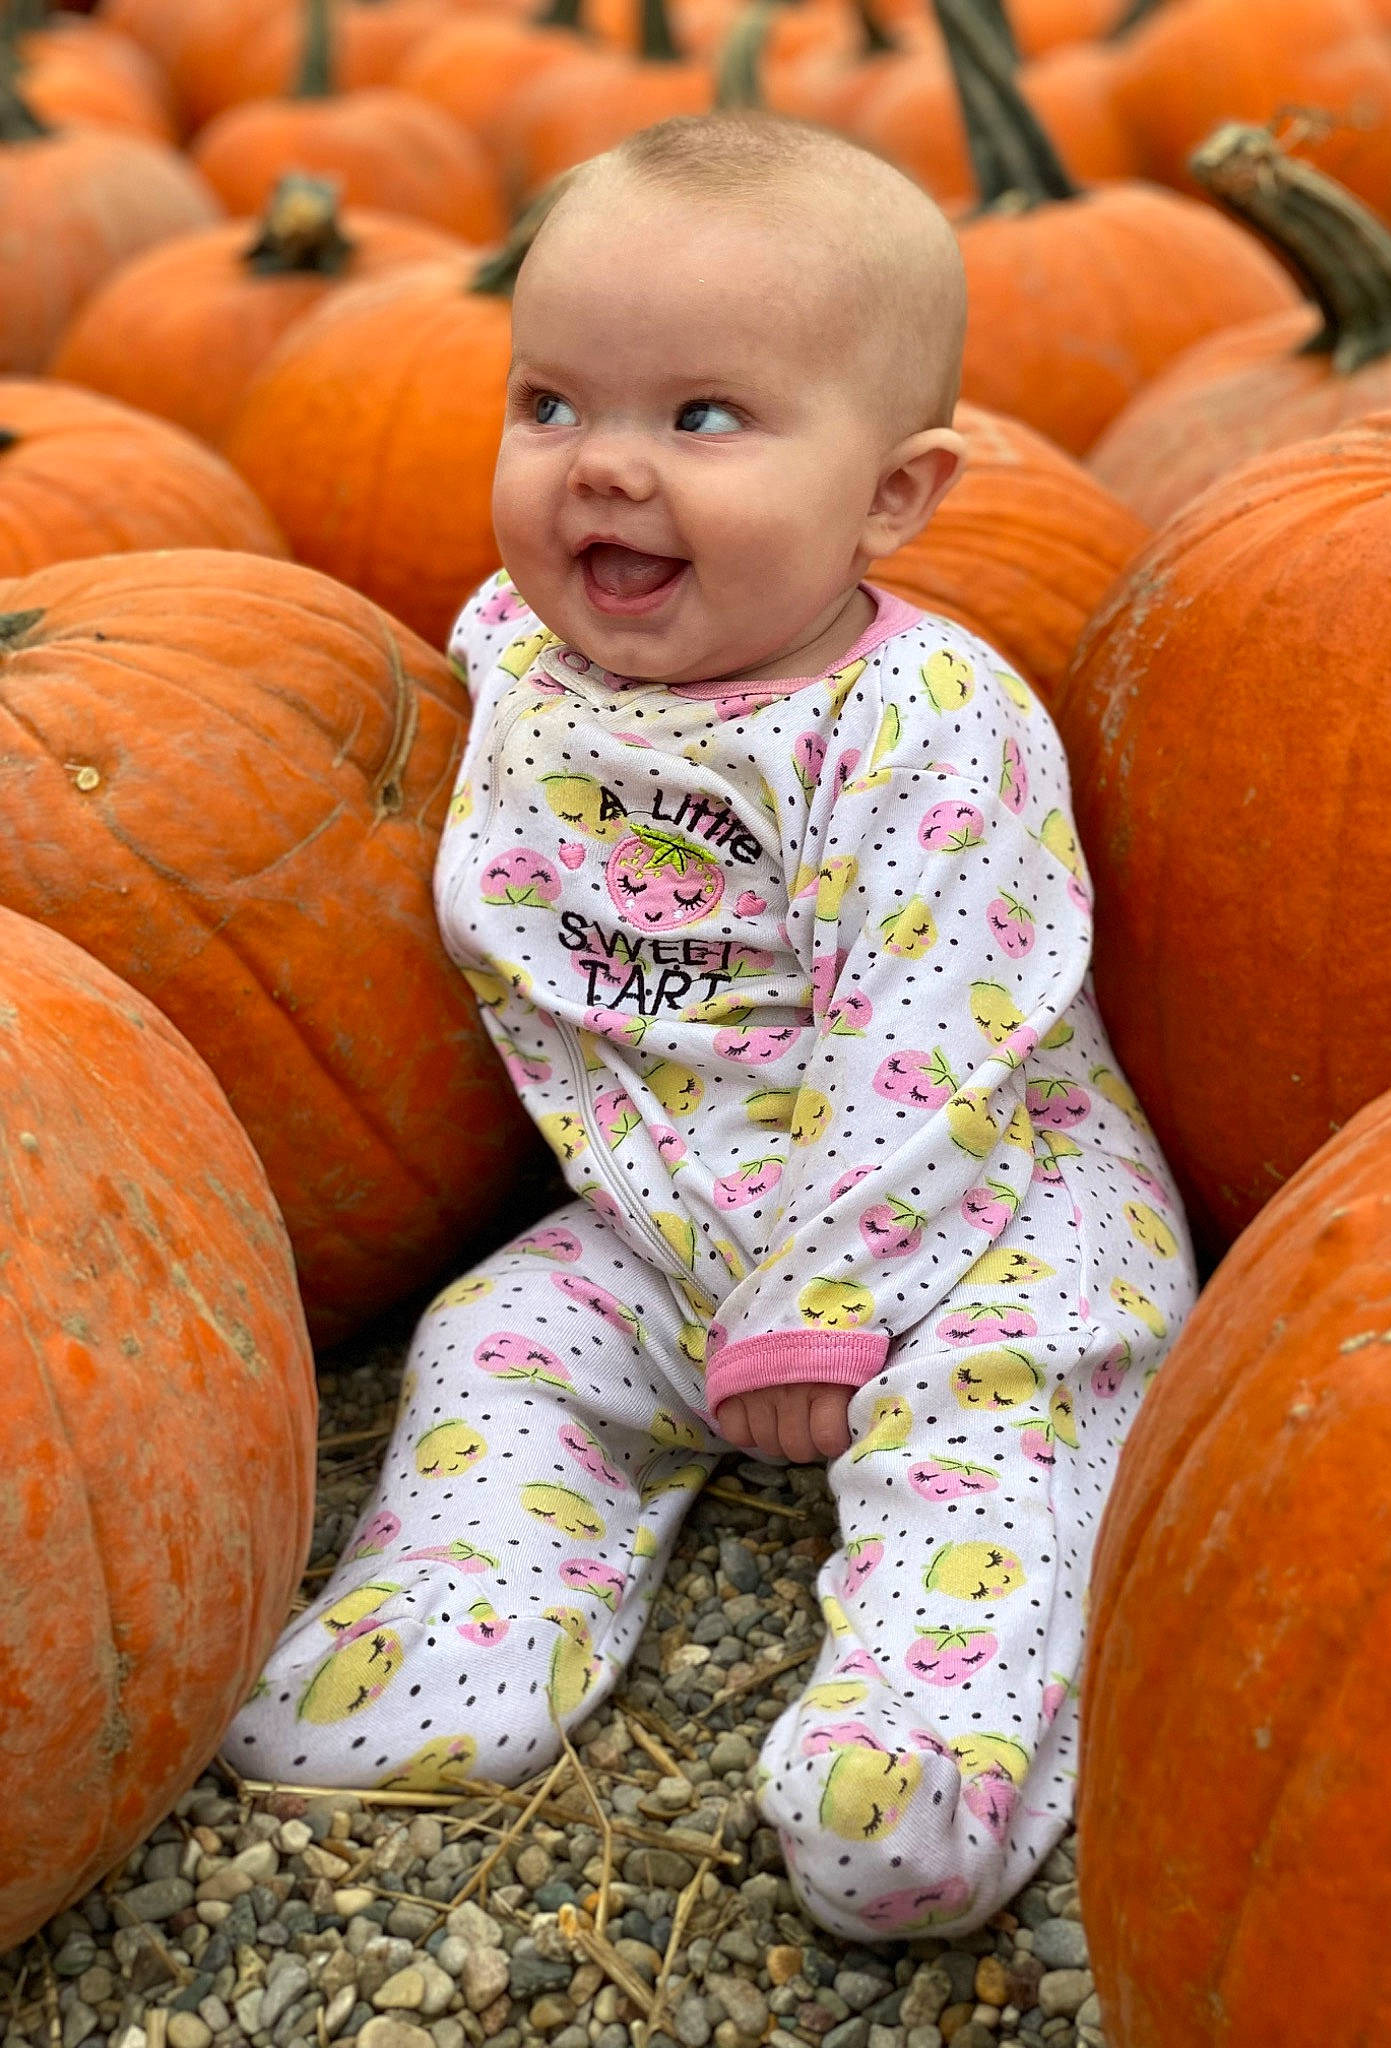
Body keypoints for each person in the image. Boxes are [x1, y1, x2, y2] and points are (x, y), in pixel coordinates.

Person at [224, 109, 1196, 1940]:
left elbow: (936, 1033)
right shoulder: (520, 654)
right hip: (678, 1202)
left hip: (976, 1212)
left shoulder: (922, 724)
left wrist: (828, 1300)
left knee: (992, 1435)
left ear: (893, 495)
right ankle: (456, 1622)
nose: (604, 472)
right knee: (502, 1334)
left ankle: (931, 1737)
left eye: (702, 420)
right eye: (551, 405)